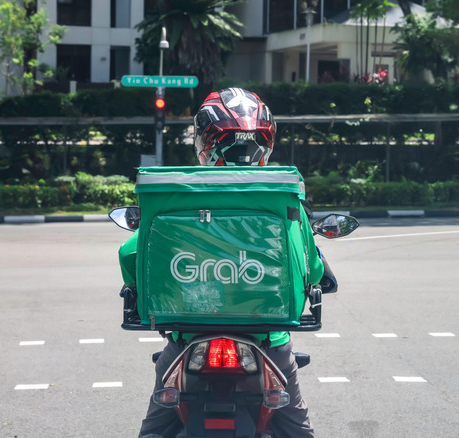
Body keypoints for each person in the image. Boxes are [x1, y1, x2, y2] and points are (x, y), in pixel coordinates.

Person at [120, 88, 324, 438]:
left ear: (204, 142)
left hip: (187, 339)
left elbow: (130, 255)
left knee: (155, 431)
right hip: (268, 341)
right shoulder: (281, 193)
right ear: (266, 141)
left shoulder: (176, 193)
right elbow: (311, 267)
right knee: (297, 432)